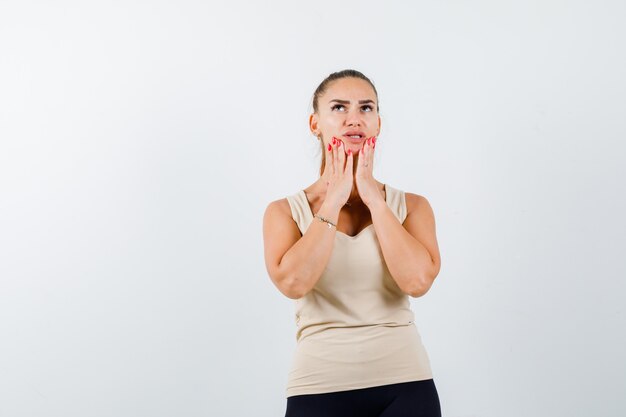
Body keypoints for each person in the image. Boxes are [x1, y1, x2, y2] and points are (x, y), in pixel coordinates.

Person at [262, 69, 442, 417]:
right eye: (339, 108)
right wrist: (333, 198)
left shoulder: (413, 206)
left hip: (406, 385)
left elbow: (417, 282)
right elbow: (294, 283)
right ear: (315, 123)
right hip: (318, 387)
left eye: (366, 108)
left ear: (378, 123)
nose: (353, 118)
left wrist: (375, 200)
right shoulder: (284, 212)